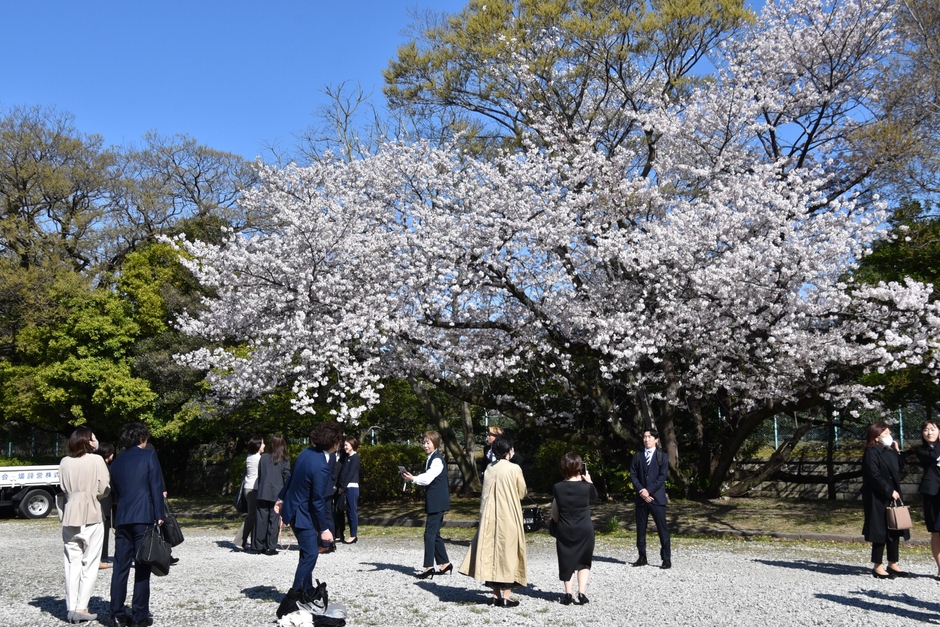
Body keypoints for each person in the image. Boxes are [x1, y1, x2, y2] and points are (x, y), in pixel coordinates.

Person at [274, 422, 343, 618]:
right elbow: (318, 500)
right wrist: (324, 529)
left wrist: (280, 499)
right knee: (311, 554)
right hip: (302, 513)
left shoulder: (307, 452)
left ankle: (307, 590)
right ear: (335, 442)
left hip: (294, 508)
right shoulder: (321, 465)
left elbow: (290, 479)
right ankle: (292, 598)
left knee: (306, 552)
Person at [459, 435, 528, 607]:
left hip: (490, 516)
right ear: (509, 451)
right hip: (509, 515)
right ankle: (506, 595)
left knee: (492, 554)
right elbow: (522, 492)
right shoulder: (514, 469)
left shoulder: (489, 468)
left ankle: (496, 595)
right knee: (509, 554)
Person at [109, 421, 165, 627]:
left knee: (120, 567)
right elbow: (156, 486)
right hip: (143, 517)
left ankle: (117, 614)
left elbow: (115, 490)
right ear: (143, 438)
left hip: (122, 518)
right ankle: (140, 615)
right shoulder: (149, 456)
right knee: (142, 567)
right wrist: (159, 515)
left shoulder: (116, 462)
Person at [59, 427, 111, 624]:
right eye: (94, 438)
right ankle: (82, 607)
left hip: (70, 514)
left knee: (71, 563)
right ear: (89, 442)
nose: (96, 441)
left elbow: (63, 487)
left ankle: (71, 608)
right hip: (91, 513)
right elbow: (104, 488)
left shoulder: (64, 462)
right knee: (90, 563)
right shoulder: (96, 460)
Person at [401, 431, 452, 579]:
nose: (425, 445)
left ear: (435, 443)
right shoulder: (431, 458)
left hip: (437, 501)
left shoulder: (436, 460)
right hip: (436, 501)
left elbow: (428, 478)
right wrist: (412, 478)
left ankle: (429, 567)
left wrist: (413, 479)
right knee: (434, 533)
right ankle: (445, 564)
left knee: (429, 534)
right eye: (424, 442)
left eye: (428, 442)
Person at [862, 422, 909, 578]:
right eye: (885, 434)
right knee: (879, 530)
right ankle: (877, 565)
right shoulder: (871, 453)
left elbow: (898, 469)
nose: (889, 437)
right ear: (876, 438)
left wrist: (898, 451)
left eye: (889, 433)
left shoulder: (888, 452)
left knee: (894, 528)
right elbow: (873, 476)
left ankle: (893, 562)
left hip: (893, 495)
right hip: (877, 496)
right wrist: (888, 491)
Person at [552, 452, 597, 605]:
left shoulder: (557, 487)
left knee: (566, 560)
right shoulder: (586, 487)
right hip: (584, 529)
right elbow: (595, 497)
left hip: (565, 528)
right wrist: (589, 481)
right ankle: (582, 592)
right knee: (584, 562)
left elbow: (556, 508)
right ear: (579, 467)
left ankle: (568, 593)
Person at [630, 428, 671, 569]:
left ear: (656, 439)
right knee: (640, 529)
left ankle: (666, 559)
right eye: (645, 437)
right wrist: (641, 490)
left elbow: (662, 477)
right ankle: (642, 557)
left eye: (650, 437)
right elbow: (633, 475)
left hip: (657, 498)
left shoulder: (662, 457)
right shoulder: (637, 456)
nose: (647, 439)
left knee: (662, 528)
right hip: (641, 498)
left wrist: (649, 490)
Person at [255, 435, 291, 556]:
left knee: (261, 520)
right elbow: (287, 478)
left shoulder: (263, 458)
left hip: (263, 491)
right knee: (273, 520)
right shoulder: (284, 460)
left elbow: (260, 474)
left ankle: (259, 546)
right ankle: (271, 546)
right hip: (277, 494)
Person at [916, 420, 940, 579]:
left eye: (933, 429)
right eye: (926, 430)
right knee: (936, 531)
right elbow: (933, 456)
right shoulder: (920, 449)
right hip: (932, 493)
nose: (929, 432)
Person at [234, 435, 264, 552]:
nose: (264, 445)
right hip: (253, 489)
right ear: (258, 445)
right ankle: (238, 541)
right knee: (252, 516)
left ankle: (250, 540)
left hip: (248, 487)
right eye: (262, 443)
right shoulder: (258, 459)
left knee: (253, 516)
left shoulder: (249, 457)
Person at [94, 441, 116, 570]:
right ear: (110, 454)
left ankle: (97, 556)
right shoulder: (107, 468)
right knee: (104, 531)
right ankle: (102, 556)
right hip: (105, 500)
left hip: (93, 502)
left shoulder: (93, 465)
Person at [336, 436, 361, 544]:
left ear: (352, 445)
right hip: (346, 487)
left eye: (347, 445)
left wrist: (343, 487)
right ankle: (343, 534)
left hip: (352, 487)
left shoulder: (355, 458)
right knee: (345, 510)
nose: (345, 447)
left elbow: (350, 474)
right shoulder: (346, 458)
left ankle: (353, 535)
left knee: (352, 511)